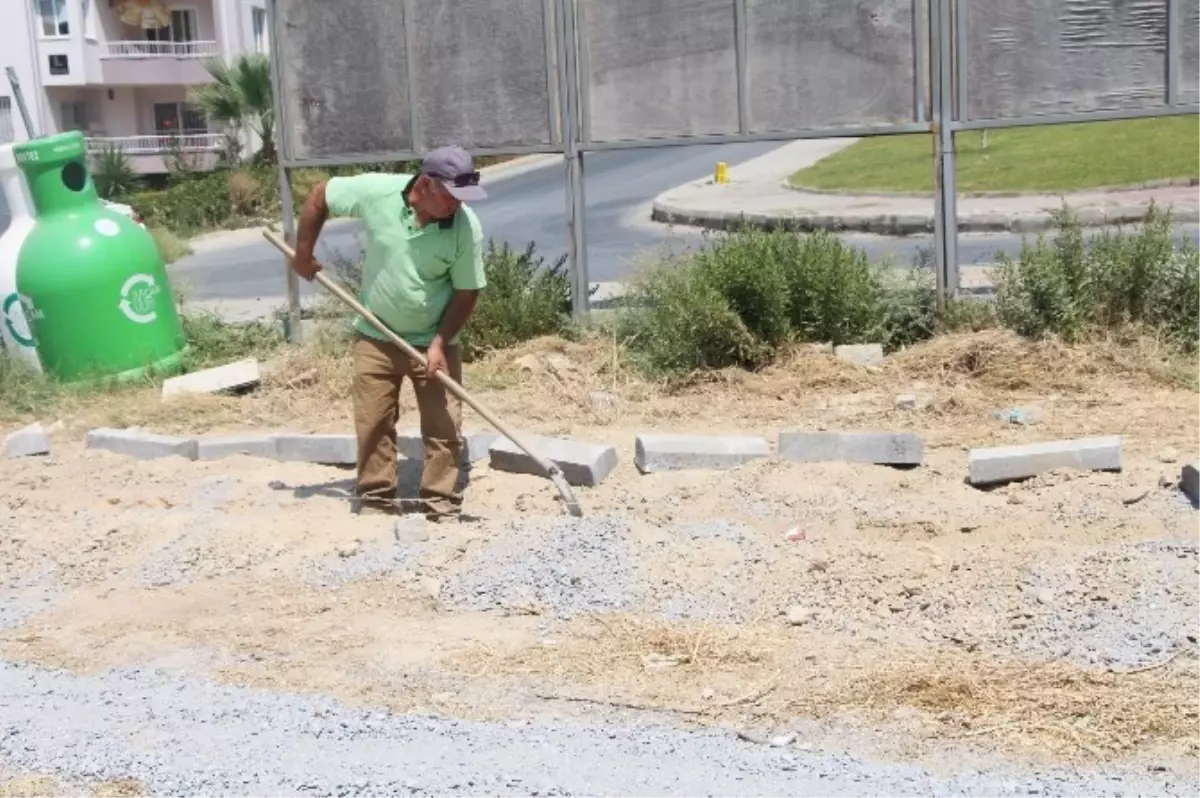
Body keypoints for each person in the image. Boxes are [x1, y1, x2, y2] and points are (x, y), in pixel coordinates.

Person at [289, 145, 488, 521]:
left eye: (462, 200)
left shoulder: (464, 226)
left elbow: (467, 292)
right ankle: (377, 500)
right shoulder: (378, 192)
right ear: (426, 185)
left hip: (434, 338)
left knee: (444, 425)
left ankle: (439, 503)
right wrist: (303, 253)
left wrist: (439, 343)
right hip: (376, 333)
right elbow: (320, 195)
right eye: (450, 197)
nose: (456, 207)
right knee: (374, 420)